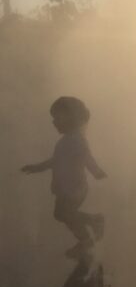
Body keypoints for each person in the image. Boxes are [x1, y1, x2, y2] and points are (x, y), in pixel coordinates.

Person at [21, 97, 106, 258]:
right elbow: (55, 161)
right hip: (66, 187)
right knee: (62, 214)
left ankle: (88, 235)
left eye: (57, 118)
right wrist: (36, 168)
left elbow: (87, 158)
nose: (54, 123)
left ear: (71, 118)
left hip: (74, 187)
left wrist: (97, 172)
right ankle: (92, 225)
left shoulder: (76, 140)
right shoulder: (67, 140)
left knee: (64, 214)